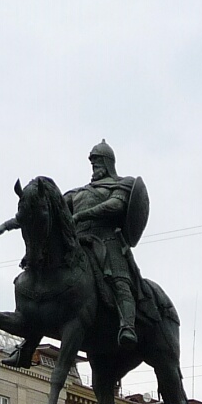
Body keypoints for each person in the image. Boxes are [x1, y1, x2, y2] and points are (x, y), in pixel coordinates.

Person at [65, 140, 147, 348]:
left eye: (98, 162)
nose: (95, 167)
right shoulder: (78, 192)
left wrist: (82, 215)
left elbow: (116, 205)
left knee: (120, 280)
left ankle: (127, 325)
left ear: (108, 162)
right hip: (78, 241)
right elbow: (56, 208)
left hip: (106, 240)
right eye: (92, 163)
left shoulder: (123, 183)